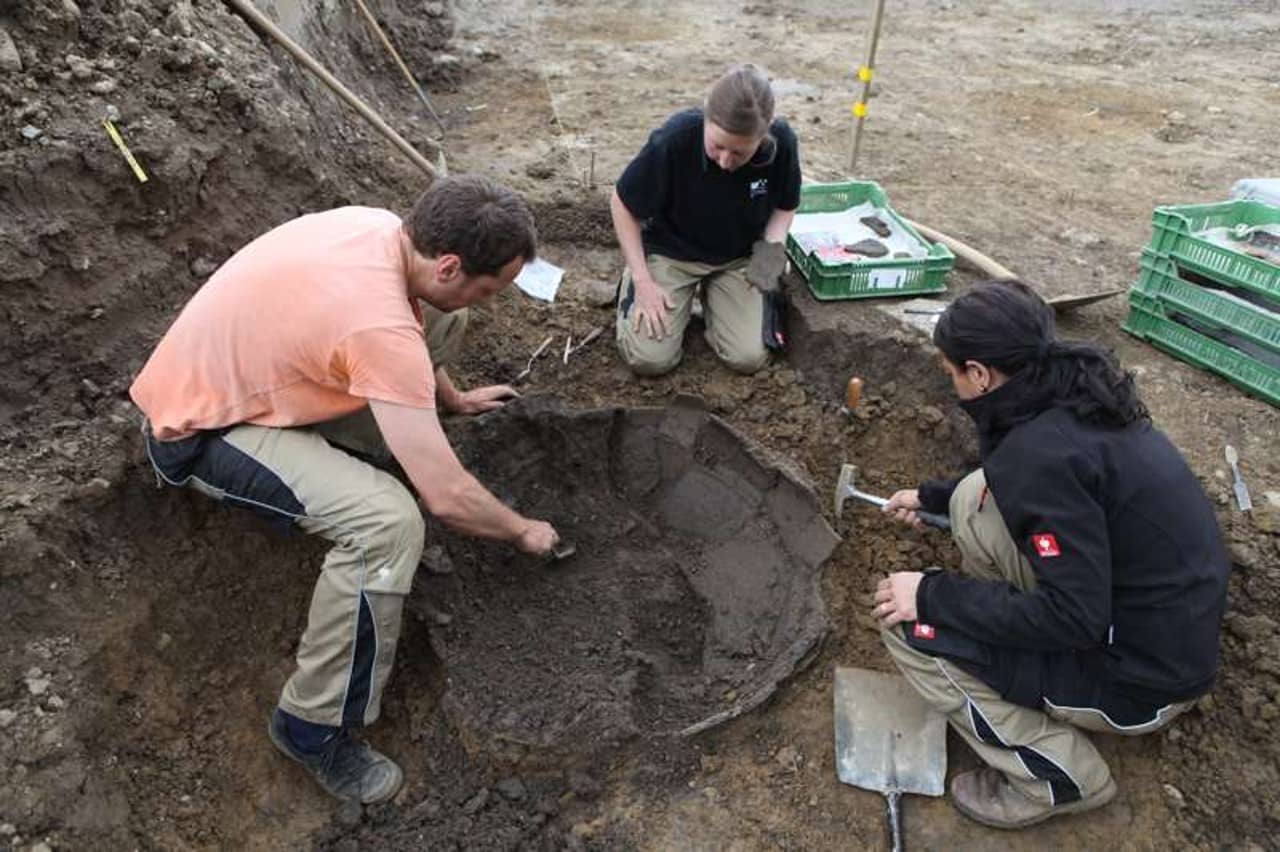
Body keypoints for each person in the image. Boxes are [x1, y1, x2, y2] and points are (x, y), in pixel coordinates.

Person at [129, 175, 560, 805]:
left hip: (236, 373)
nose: (492, 301)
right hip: (201, 431)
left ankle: (375, 447)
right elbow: (444, 497)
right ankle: (311, 727)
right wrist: (524, 530)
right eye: (491, 286)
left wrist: (453, 398)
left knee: (441, 323)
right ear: (447, 263)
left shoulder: (379, 228)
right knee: (389, 524)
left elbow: (406, 332)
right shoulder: (378, 329)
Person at [870, 280, 1229, 829]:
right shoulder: (1069, 390)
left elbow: (1075, 617)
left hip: (1137, 680)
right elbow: (1038, 492)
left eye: (951, 373)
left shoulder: (1040, 459)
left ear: (981, 374)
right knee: (973, 499)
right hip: (1156, 626)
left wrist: (932, 595)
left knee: (908, 630)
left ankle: (1058, 779)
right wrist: (936, 497)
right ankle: (1017, 655)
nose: (952, 385)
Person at [612, 63, 802, 376]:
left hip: (738, 258)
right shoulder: (674, 140)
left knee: (748, 358)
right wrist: (643, 280)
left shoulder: (782, 144)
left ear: (763, 134)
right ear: (706, 119)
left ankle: (717, 307)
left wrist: (767, 262)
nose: (726, 162)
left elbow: (785, 207)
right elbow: (622, 204)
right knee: (649, 359)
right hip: (673, 253)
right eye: (717, 146)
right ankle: (641, 290)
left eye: (740, 153)